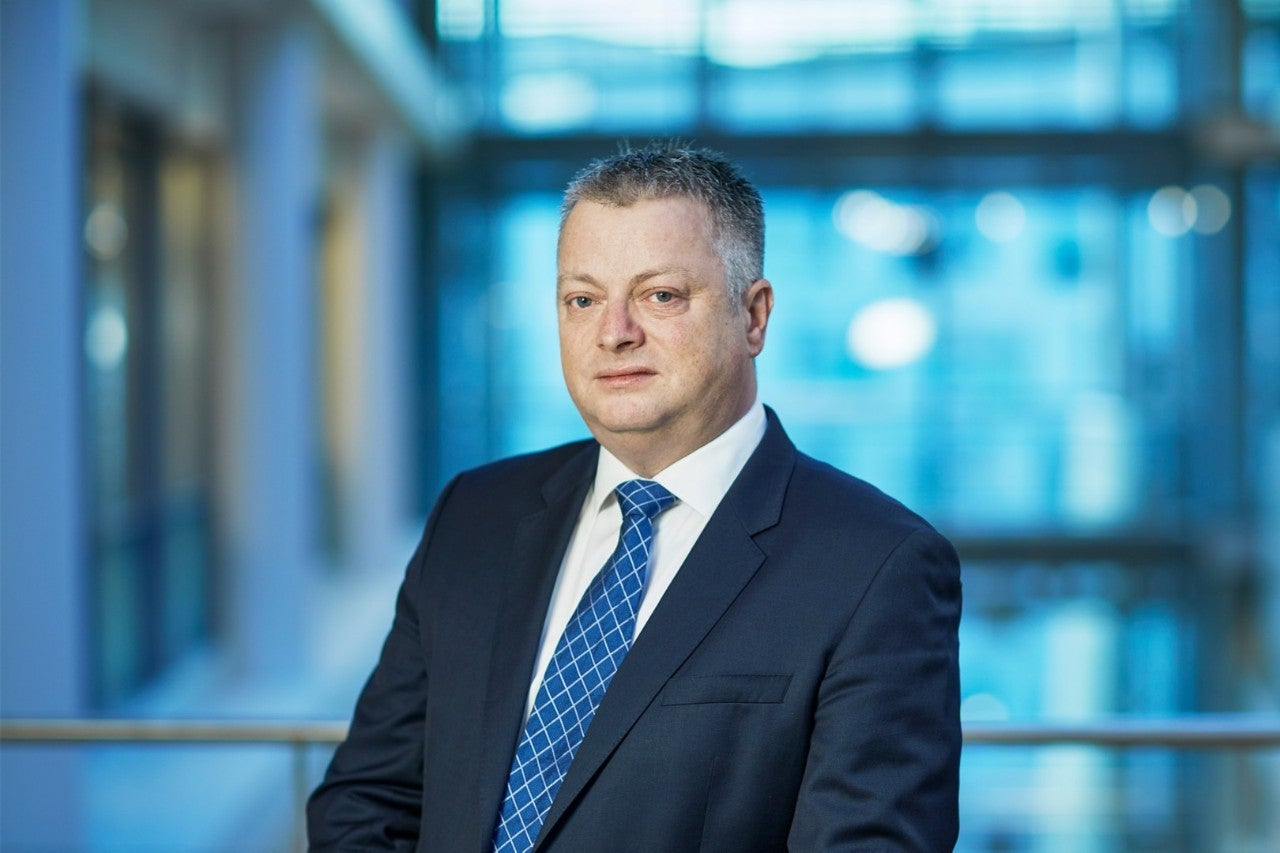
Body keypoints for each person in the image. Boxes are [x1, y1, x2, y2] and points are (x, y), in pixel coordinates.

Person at [307, 144, 962, 852]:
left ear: (753, 316)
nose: (614, 333)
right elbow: (369, 799)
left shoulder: (876, 566)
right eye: (583, 300)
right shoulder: (476, 513)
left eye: (661, 296)